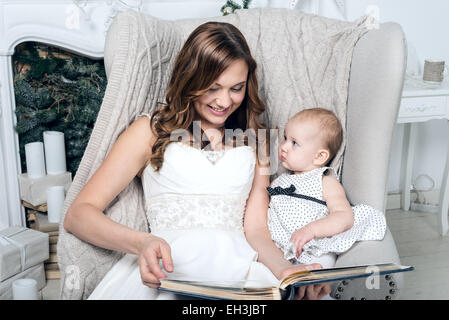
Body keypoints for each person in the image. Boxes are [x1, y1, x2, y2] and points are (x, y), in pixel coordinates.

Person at [63, 21, 330, 300]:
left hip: (239, 273)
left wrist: (286, 270)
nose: (225, 101)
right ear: (191, 80)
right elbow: (78, 214)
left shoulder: (256, 140)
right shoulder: (150, 131)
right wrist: (142, 242)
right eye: (213, 88)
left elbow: (256, 230)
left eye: (236, 88)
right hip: (169, 270)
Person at [267, 108, 387, 269]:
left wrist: (311, 230)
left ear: (319, 156)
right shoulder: (278, 182)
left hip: (315, 249)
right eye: (285, 138)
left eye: (294, 143)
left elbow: (344, 216)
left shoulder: (325, 182)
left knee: (319, 273)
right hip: (280, 251)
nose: (283, 147)